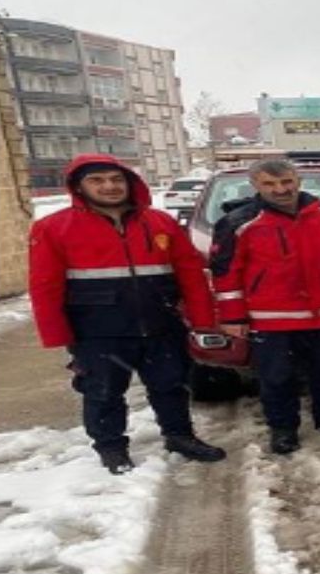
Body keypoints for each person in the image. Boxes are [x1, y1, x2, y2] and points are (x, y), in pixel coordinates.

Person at [28, 154, 226, 474]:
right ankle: (111, 448)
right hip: (97, 331)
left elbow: (190, 274)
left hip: (162, 324)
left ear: (129, 183)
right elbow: (44, 286)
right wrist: (58, 335)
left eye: (116, 179)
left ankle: (179, 436)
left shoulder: (159, 222)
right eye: (98, 180)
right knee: (103, 393)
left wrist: (202, 319)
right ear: (79, 187)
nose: (109, 186)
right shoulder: (53, 228)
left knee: (171, 386)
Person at [210, 159, 320, 455]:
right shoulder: (239, 222)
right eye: (270, 184)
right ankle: (284, 429)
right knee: (277, 378)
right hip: (272, 319)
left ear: (297, 180)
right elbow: (226, 273)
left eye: (287, 182)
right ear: (256, 186)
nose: (281, 189)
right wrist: (233, 315)